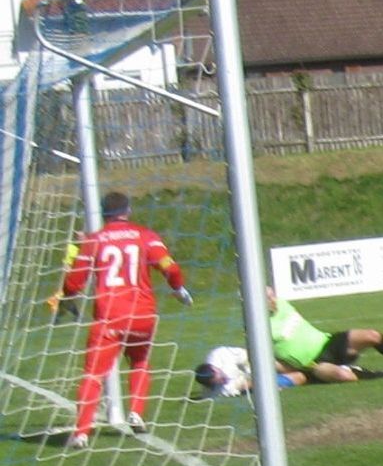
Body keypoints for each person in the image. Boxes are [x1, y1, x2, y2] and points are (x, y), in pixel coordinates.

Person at [57, 191, 192, 448]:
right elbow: (170, 267)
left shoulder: (94, 241)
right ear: (127, 211)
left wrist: (67, 296)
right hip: (142, 315)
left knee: (93, 374)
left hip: (109, 318)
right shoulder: (146, 236)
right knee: (140, 362)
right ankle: (136, 413)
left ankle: (82, 433)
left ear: (103, 212)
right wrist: (178, 288)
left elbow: (75, 281)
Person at [266, 287, 383, 382]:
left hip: (328, 342)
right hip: (314, 364)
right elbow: (270, 360)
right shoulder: (262, 328)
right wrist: (294, 368)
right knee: (344, 376)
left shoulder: (283, 305)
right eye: (268, 298)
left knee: (372, 336)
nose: (274, 299)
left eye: (272, 294)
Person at [191, 346, 309, 399]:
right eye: (219, 380)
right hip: (254, 381)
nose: (222, 378)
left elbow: (247, 354)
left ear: (214, 367)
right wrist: (269, 383)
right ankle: (306, 374)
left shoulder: (219, 354)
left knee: (273, 362)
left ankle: (305, 368)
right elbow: (248, 384)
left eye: (219, 375)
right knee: (300, 377)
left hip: (253, 366)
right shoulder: (222, 390)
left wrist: (254, 368)